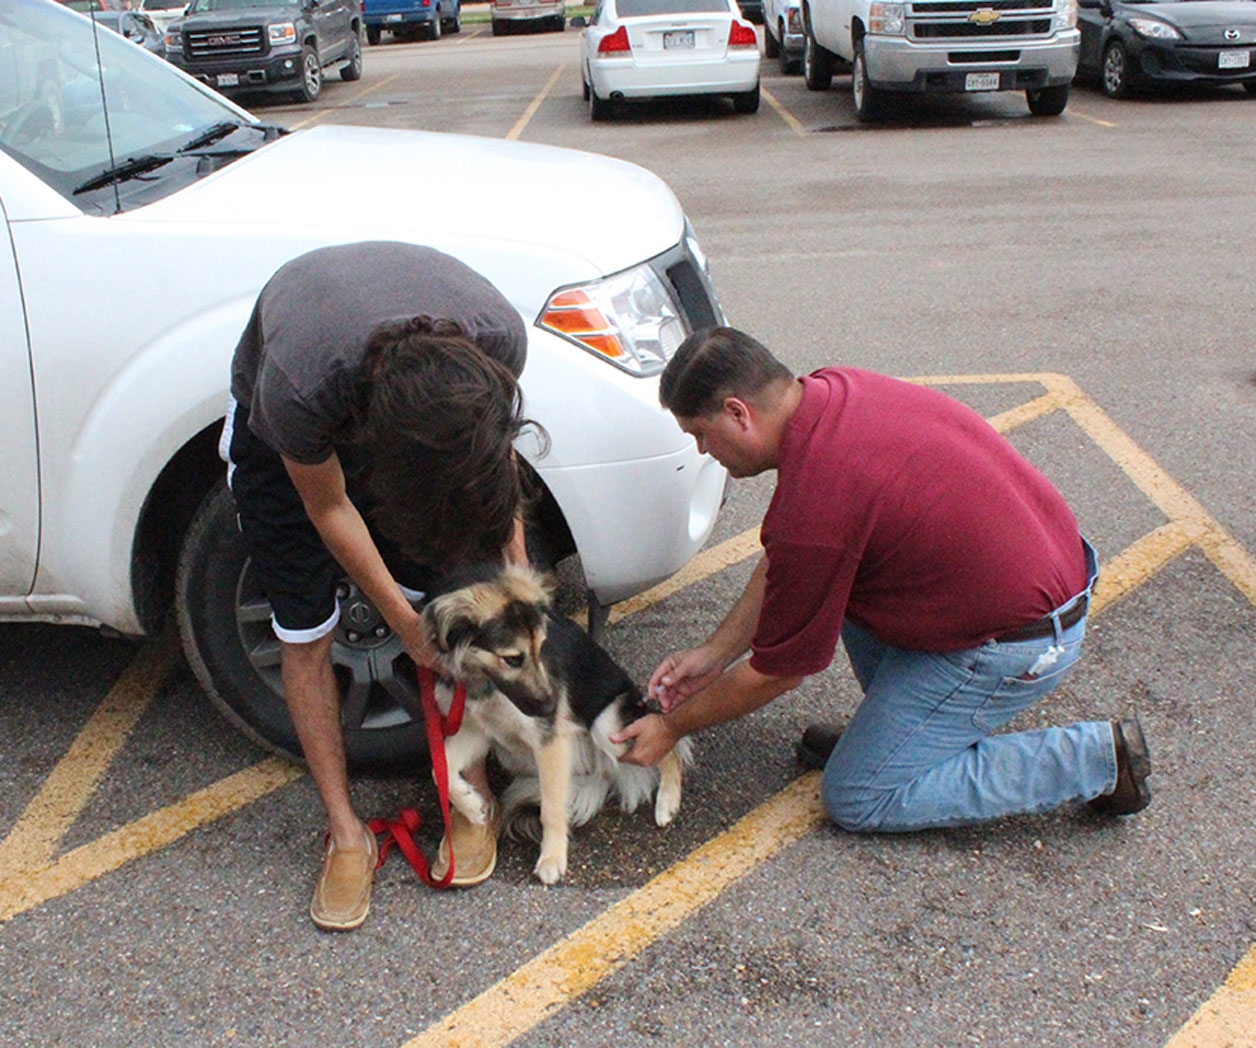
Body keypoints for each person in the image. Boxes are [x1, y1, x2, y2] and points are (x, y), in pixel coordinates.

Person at [613, 327, 1152, 833]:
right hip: (1033, 579)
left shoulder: (818, 498)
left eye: (702, 435)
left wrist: (671, 725)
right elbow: (793, 560)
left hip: (1022, 642)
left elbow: (779, 671)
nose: (705, 452)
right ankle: (900, 736)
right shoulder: (833, 390)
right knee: (833, 576)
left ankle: (1094, 758)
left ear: (738, 413)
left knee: (857, 795)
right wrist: (714, 651)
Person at [223, 241, 532, 930]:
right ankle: (345, 832)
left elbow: (493, 462)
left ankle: (467, 792)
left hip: (404, 397)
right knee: (304, 633)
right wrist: (401, 619)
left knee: (458, 594)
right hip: (289, 446)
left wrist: (513, 566)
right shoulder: (299, 393)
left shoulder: (497, 337)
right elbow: (330, 507)